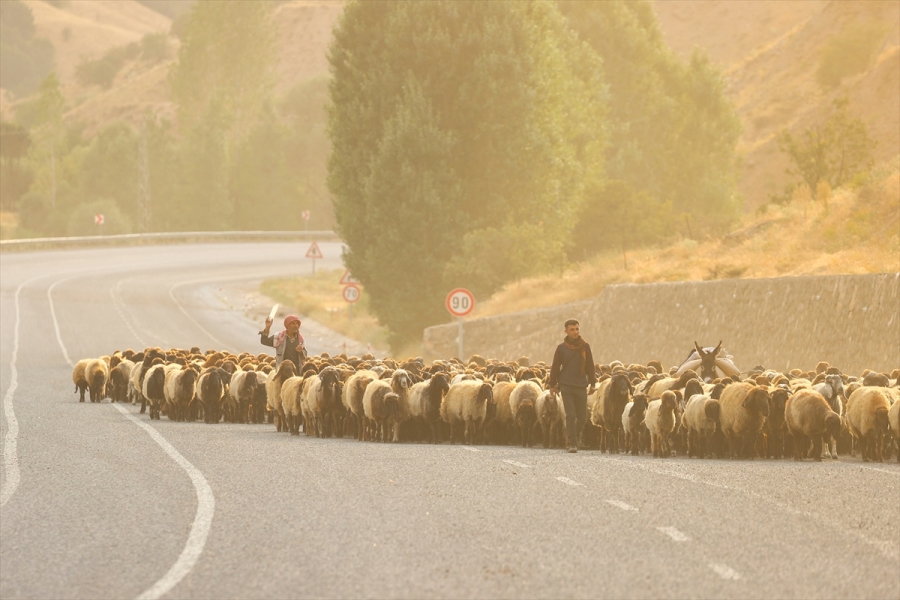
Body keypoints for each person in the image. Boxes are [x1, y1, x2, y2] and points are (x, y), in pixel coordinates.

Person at [548, 319, 597, 453]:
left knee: (582, 417)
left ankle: (575, 434)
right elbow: (556, 367)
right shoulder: (561, 348)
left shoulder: (585, 347)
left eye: (577, 329)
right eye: (572, 330)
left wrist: (593, 383)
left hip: (581, 385)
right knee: (570, 415)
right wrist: (552, 384)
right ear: (566, 331)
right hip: (566, 385)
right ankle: (573, 443)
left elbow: (590, 365)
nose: (575, 332)